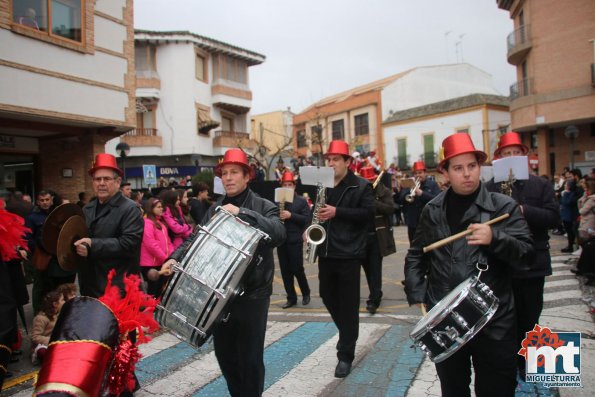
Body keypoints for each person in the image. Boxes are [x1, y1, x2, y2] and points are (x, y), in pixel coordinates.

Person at [405, 133, 534, 397]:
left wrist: (495, 238)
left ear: (480, 167)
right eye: (458, 168)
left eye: (472, 166)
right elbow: (417, 255)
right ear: (445, 173)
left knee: (496, 389)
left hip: (493, 321)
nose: (467, 174)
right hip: (446, 320)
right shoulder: (432, 209)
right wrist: (419, 294)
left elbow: (526, 254)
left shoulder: (502, 207)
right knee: (453, 389)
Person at [164, 148, 285, 397]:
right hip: (220, 296)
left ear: (246, 176)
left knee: (250, 358)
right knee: (225, 356)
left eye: (233, 173)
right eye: (224, 174)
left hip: (253, 296)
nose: (228, 178)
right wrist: (174, 258)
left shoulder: (263, 206)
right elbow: (195, 239)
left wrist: (242, 213)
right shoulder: (214, 209)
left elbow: (279, 233)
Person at [485, 131, 560, 380]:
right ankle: (506, 362)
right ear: (499, 158)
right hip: (502, 264)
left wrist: (522, 210)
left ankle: (527, 363)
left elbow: (553, 217)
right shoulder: (490, 187)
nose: (512, 156)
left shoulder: (540, 184)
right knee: (503, 319)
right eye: (507, 154)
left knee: (530, 315)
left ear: (524, 156)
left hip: (532, 264)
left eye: (516, 153)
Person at [73, 153, 144, 396]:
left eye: (106, 179)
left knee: (123, 345)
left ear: (117, 181)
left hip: (120, 289)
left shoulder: (130, 209)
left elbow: (129, 244)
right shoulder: (87, 208)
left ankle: (125, 389)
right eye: (97, 179)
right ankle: (108, 384)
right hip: (92, 287)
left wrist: (92, 244)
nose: (101, 183)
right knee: (99, 342)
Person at [310, 140, 375, 378]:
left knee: (348, 305)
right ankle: (349, 333)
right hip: (326, 252)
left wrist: (337, 212)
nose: (331, 163)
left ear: (348, 162)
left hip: (349, 253)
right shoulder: (323, 185)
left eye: (336, 159)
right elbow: (316, 211)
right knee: (327, 296)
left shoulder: (361, 186)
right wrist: (311, 228)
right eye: (329, 159)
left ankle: (345, 355)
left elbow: (368, 214)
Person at [25, 190, 75, 313]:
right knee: (40, 286)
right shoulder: (32, 218)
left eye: (47, 200)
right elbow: (28, 238)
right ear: (37, 202)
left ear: (51, 200)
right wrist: (38, 249)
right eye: (42, 200)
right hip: (42, 256)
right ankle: (39, 312)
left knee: (58, 286)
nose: (45, 202)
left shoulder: (56, 214)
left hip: (57, 257)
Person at [358, 166, 395, 314]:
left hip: (377, 237)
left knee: (375, 269)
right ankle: (376, 293)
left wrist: (373, 202)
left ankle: (374, 300)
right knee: (367, 269)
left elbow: (391, 208)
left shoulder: (383, 191)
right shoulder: (359, 191)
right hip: (361, 237)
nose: (369, 183)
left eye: (371, 180)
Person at [276, 171, 311, 309]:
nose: (287, 187)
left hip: (295, 240)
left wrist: (291, 215)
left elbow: (306, 219)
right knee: (285, 272)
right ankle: (291, 298)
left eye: (289, 184)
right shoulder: (279, 200)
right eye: (285, 185)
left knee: (297, 269)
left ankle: (306, 293)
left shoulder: (301, 201)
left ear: (294, 186)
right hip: (282, 241)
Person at [398, 161, 441, 244]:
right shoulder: (410, 183)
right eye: (416, 173)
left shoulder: (432, 184)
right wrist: (409, 194)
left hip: (428, 222)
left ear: (425, 173)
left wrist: (422, 194)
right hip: (413, 223)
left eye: (420, 173)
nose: (418, 175)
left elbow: (437, 199)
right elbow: (401, 198)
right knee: (414, 245)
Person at [140, 198, 173, 298]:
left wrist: (171, 257)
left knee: (160, 291)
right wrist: (165, 258)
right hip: (150, 264)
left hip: (161, 263)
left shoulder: (161, 224)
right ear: (151, 208)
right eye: (158, 207)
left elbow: (168, 242)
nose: (161, 209)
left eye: (161, 207)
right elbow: (150, 244)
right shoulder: (147, 223)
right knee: (152, 292)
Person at [30, 290, 65, 365]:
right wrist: (51, 340)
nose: (64, 302)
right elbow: (35, 337)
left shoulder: (57, 314)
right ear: (55, 304)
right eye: (62, 300)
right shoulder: (40, 318)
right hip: (44, 344)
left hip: (56, 341)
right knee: (42, 351)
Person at [573, 177, 595, 283]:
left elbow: (581, 210)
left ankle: (586, 271)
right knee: (587, 247)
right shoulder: (588, 198)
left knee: (588, 246)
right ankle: (585, 270)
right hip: (588, 225)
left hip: (589, 224)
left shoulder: (592, 199)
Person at [560, 179, 579, 252]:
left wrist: (565, 194)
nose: (564, 185)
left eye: (566, 184)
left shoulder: (570, 193)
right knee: (568, 231)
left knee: (570, 231)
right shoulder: (565, 193)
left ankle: (570, 246)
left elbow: (566, 202)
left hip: (569, 215)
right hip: (565, 214)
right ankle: (570, 245)